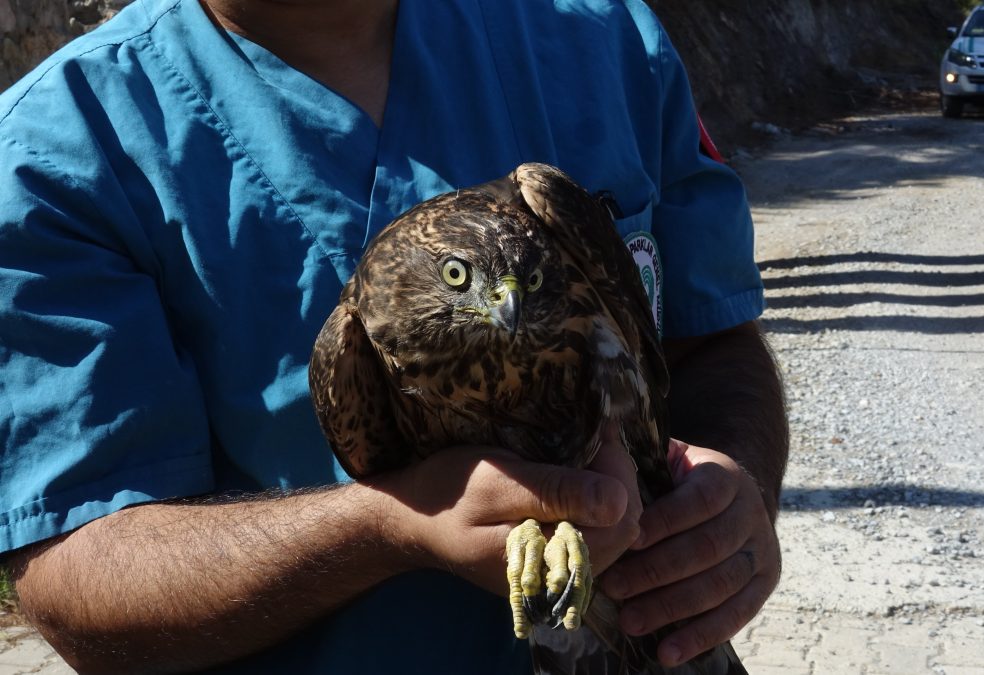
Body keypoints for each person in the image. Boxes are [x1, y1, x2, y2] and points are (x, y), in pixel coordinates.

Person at [0, 0, 788, 672]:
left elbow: (711, 342)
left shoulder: (603, 39)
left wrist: (727, 491)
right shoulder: (57, 156)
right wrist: (389, 526)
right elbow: (79, 563)